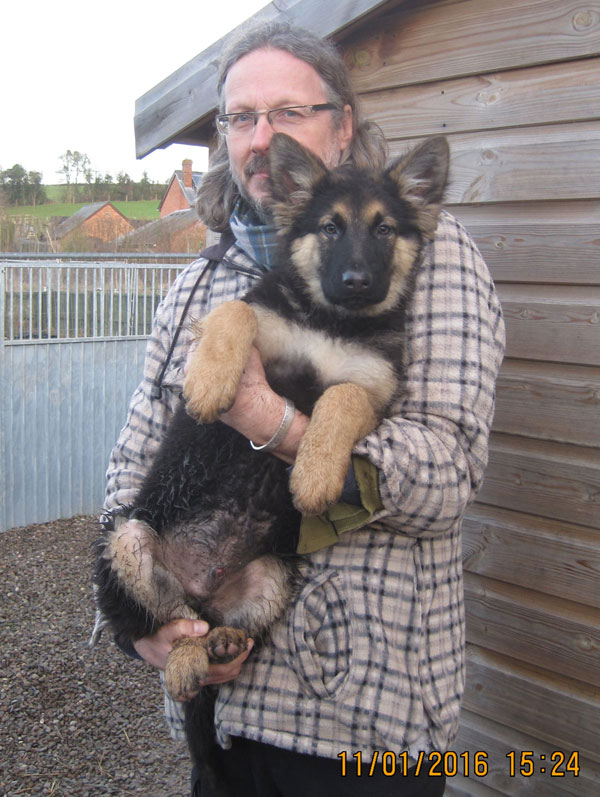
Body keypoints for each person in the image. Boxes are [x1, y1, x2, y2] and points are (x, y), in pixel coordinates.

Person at [100, 21, 505, 797]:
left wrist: (280, 425)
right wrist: (142, 628)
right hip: (218, 712)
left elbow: (448, 471)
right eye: (241, 117)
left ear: (342, 122)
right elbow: (130, 462)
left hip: (362, 726)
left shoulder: (431, 254)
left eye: (288, 112)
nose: (262, 138)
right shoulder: (198, 284)